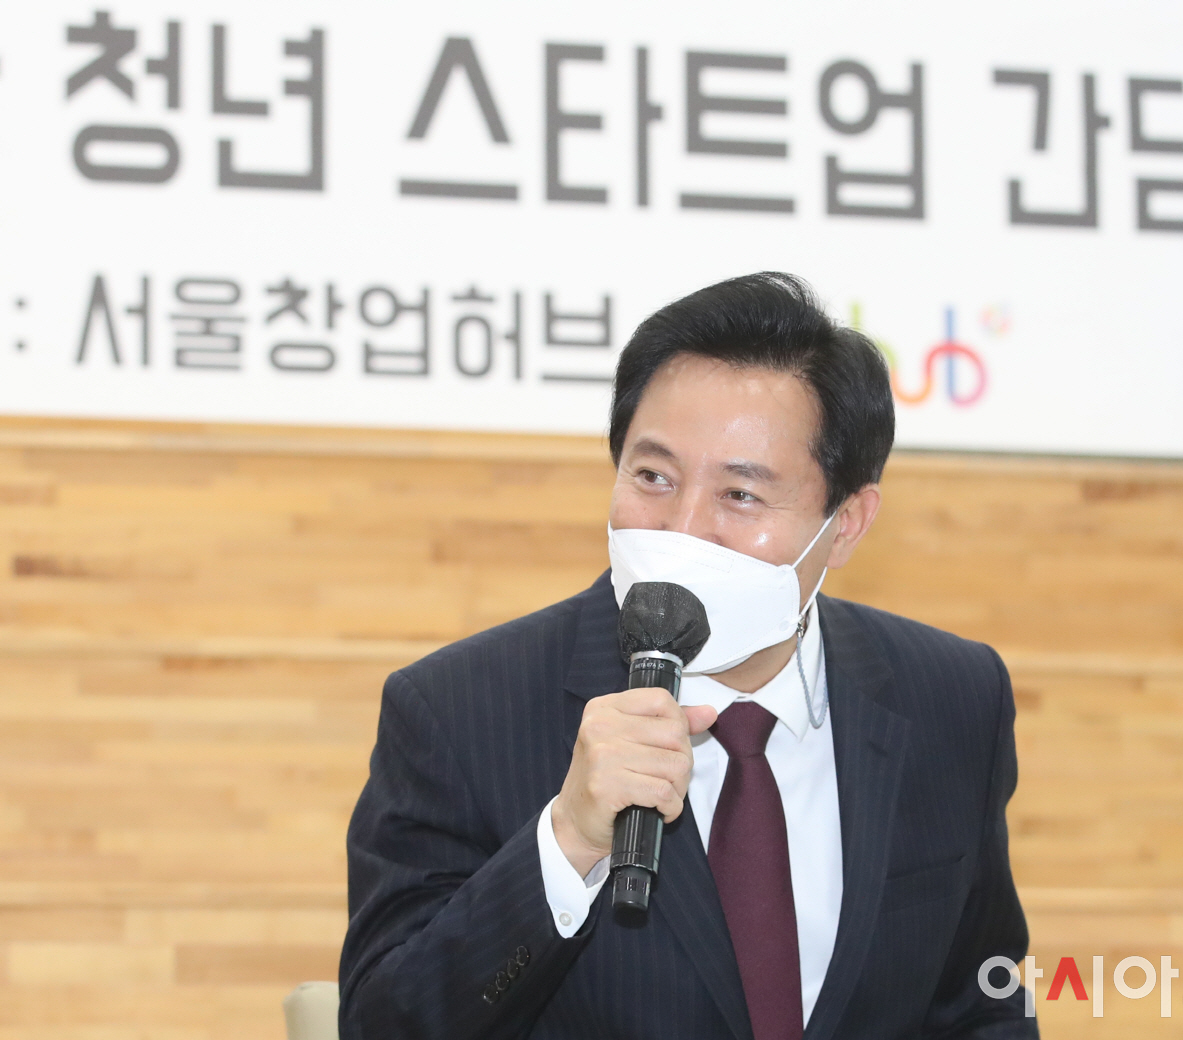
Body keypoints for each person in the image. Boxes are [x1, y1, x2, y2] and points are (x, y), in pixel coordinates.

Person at [339, 272, 1035, 1040]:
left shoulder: (952, 698)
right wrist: (568, 842)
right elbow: (383, 1026)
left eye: (740, 494)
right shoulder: (458, 710)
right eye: (653, 477)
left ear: (845, 523)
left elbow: (982, 1005)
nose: (682, 528)